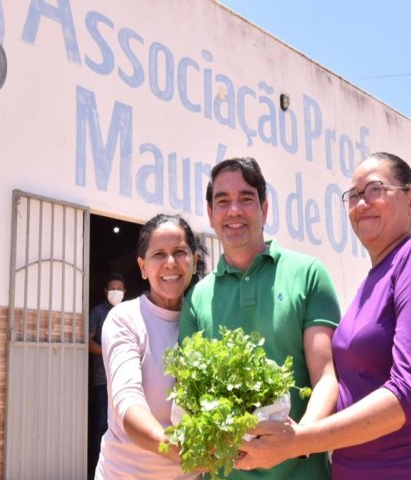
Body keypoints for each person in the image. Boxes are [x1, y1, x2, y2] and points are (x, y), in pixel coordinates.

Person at [238, 152, 411, 480]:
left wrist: (297, 441)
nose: (361, 203)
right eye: (353, 195)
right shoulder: (369, 284)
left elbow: (408, 393)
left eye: (375, 189)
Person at [179, 157, 341, 480]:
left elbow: (326, 377)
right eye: (222, 201)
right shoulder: (197, 297)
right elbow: (191, 396)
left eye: (246, 198)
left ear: (264, 209)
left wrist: (297, 441)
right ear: (210, 215)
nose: (234, 210)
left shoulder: (307, 274)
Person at [94, 213, 207, 480]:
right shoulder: (125, 318)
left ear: (194, 261)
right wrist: (181, 452)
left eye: (180, 252)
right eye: (158, 254)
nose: (170, 263)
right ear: (143, 267)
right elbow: (127, 400)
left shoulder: (207, 321)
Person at [88, 272, 126, 478]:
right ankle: (96, 466)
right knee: (101, 424)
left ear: (125, 292)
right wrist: (110, 350)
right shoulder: (97, 312)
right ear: (105, 291)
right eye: (112, 289)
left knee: (123, 428)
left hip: (125, 381)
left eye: (119, 289)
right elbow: (88, 341)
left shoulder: (129, 312)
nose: (116, 292)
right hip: (102, 380)